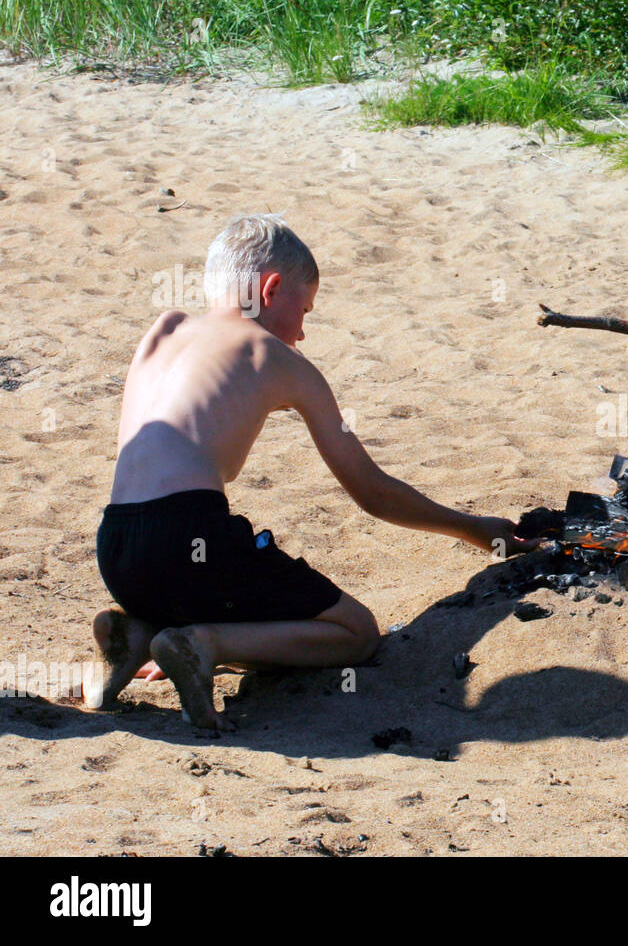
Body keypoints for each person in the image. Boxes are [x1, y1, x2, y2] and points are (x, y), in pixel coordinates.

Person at [90, 214, 538, 732]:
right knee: (357, 632)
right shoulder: (275, 356)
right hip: (189, 536)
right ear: (271, 288)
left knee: (201, 584)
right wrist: (470, 527)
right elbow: (371, 491)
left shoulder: (163, 330)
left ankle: (138, 636)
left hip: (119, 548)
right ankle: (202, 643)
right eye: (304, 310)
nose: (302, 331)